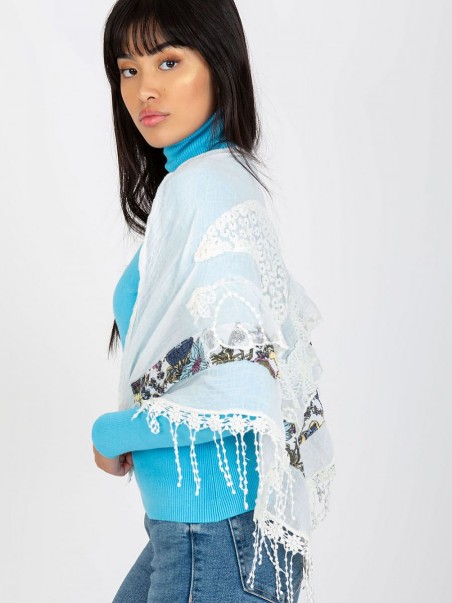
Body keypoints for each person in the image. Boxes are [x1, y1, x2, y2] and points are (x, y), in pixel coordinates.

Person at [91, 1, 336, 602]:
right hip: (201, 532)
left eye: (168, 62)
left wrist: (111, 432)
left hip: (216, 535)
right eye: (128, 69)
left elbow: (233, 392)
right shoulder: (202, 180)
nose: (145, 89)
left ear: (220, 64)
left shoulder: (206, 189)